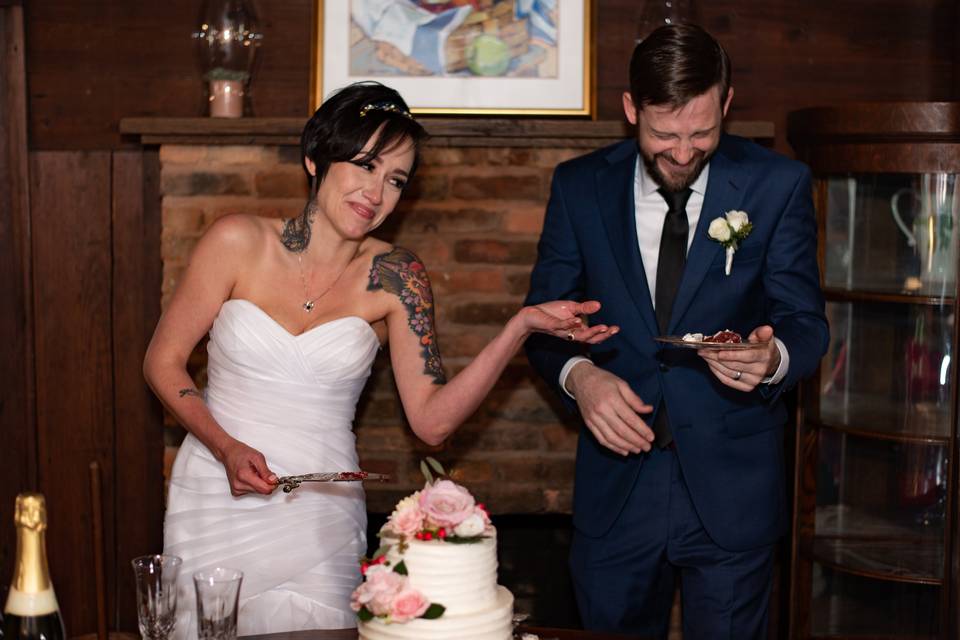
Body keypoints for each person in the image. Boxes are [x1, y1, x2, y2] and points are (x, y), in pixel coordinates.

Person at [143, 81, 616, 639]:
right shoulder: (236, 241)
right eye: (365, 165)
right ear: (315, 159)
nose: (377, 192)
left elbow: (432, 423)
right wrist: (226, 448)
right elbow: (163, 361)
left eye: (395, 179)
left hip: (319, 512)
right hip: (216, 495)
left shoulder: (398, 279)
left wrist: (518, 328)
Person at [524, 24, 829, 639]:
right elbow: (541, 321)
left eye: (702, 132)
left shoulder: (778, 184)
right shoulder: (580, 186)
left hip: (733, 486)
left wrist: (772, 360)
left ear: (727, 101)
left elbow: (806, 322)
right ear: (631, 109)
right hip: (618, 490)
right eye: (664, 134)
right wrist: (579, 376)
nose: (684, 152)